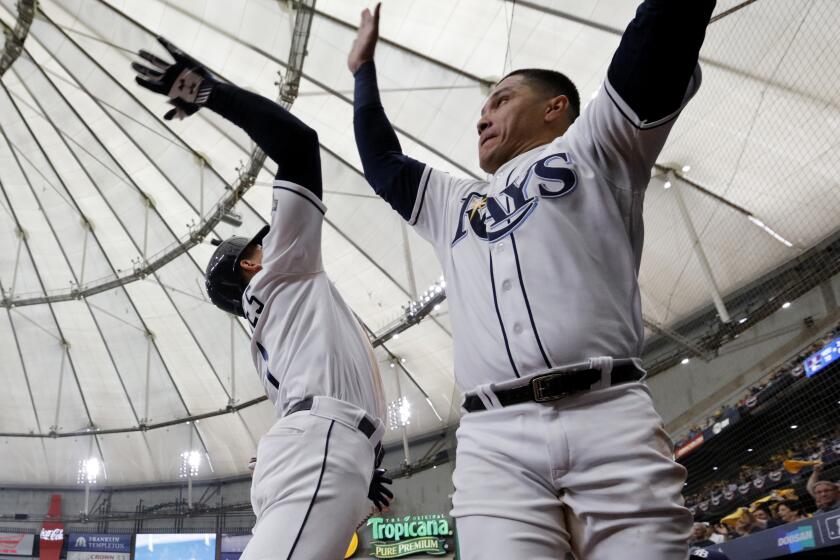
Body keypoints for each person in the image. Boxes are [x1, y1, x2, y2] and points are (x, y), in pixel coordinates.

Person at [348, 0, 715, 557]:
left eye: (500, 100)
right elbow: (382, 163)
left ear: (555, 107)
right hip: (495, 442)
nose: (482, 117)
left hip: (608, 415)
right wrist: (362, 72)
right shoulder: (453, 202)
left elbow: (660, 36)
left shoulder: (599, 147)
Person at [132, 37, 393, 560]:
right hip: (321, 441)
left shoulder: (277, 311)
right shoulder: (279, 269)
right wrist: (205, 91)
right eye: (258, 243)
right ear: (250, 264)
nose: (270, 238)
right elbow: (299, 143)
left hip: (321, 443)